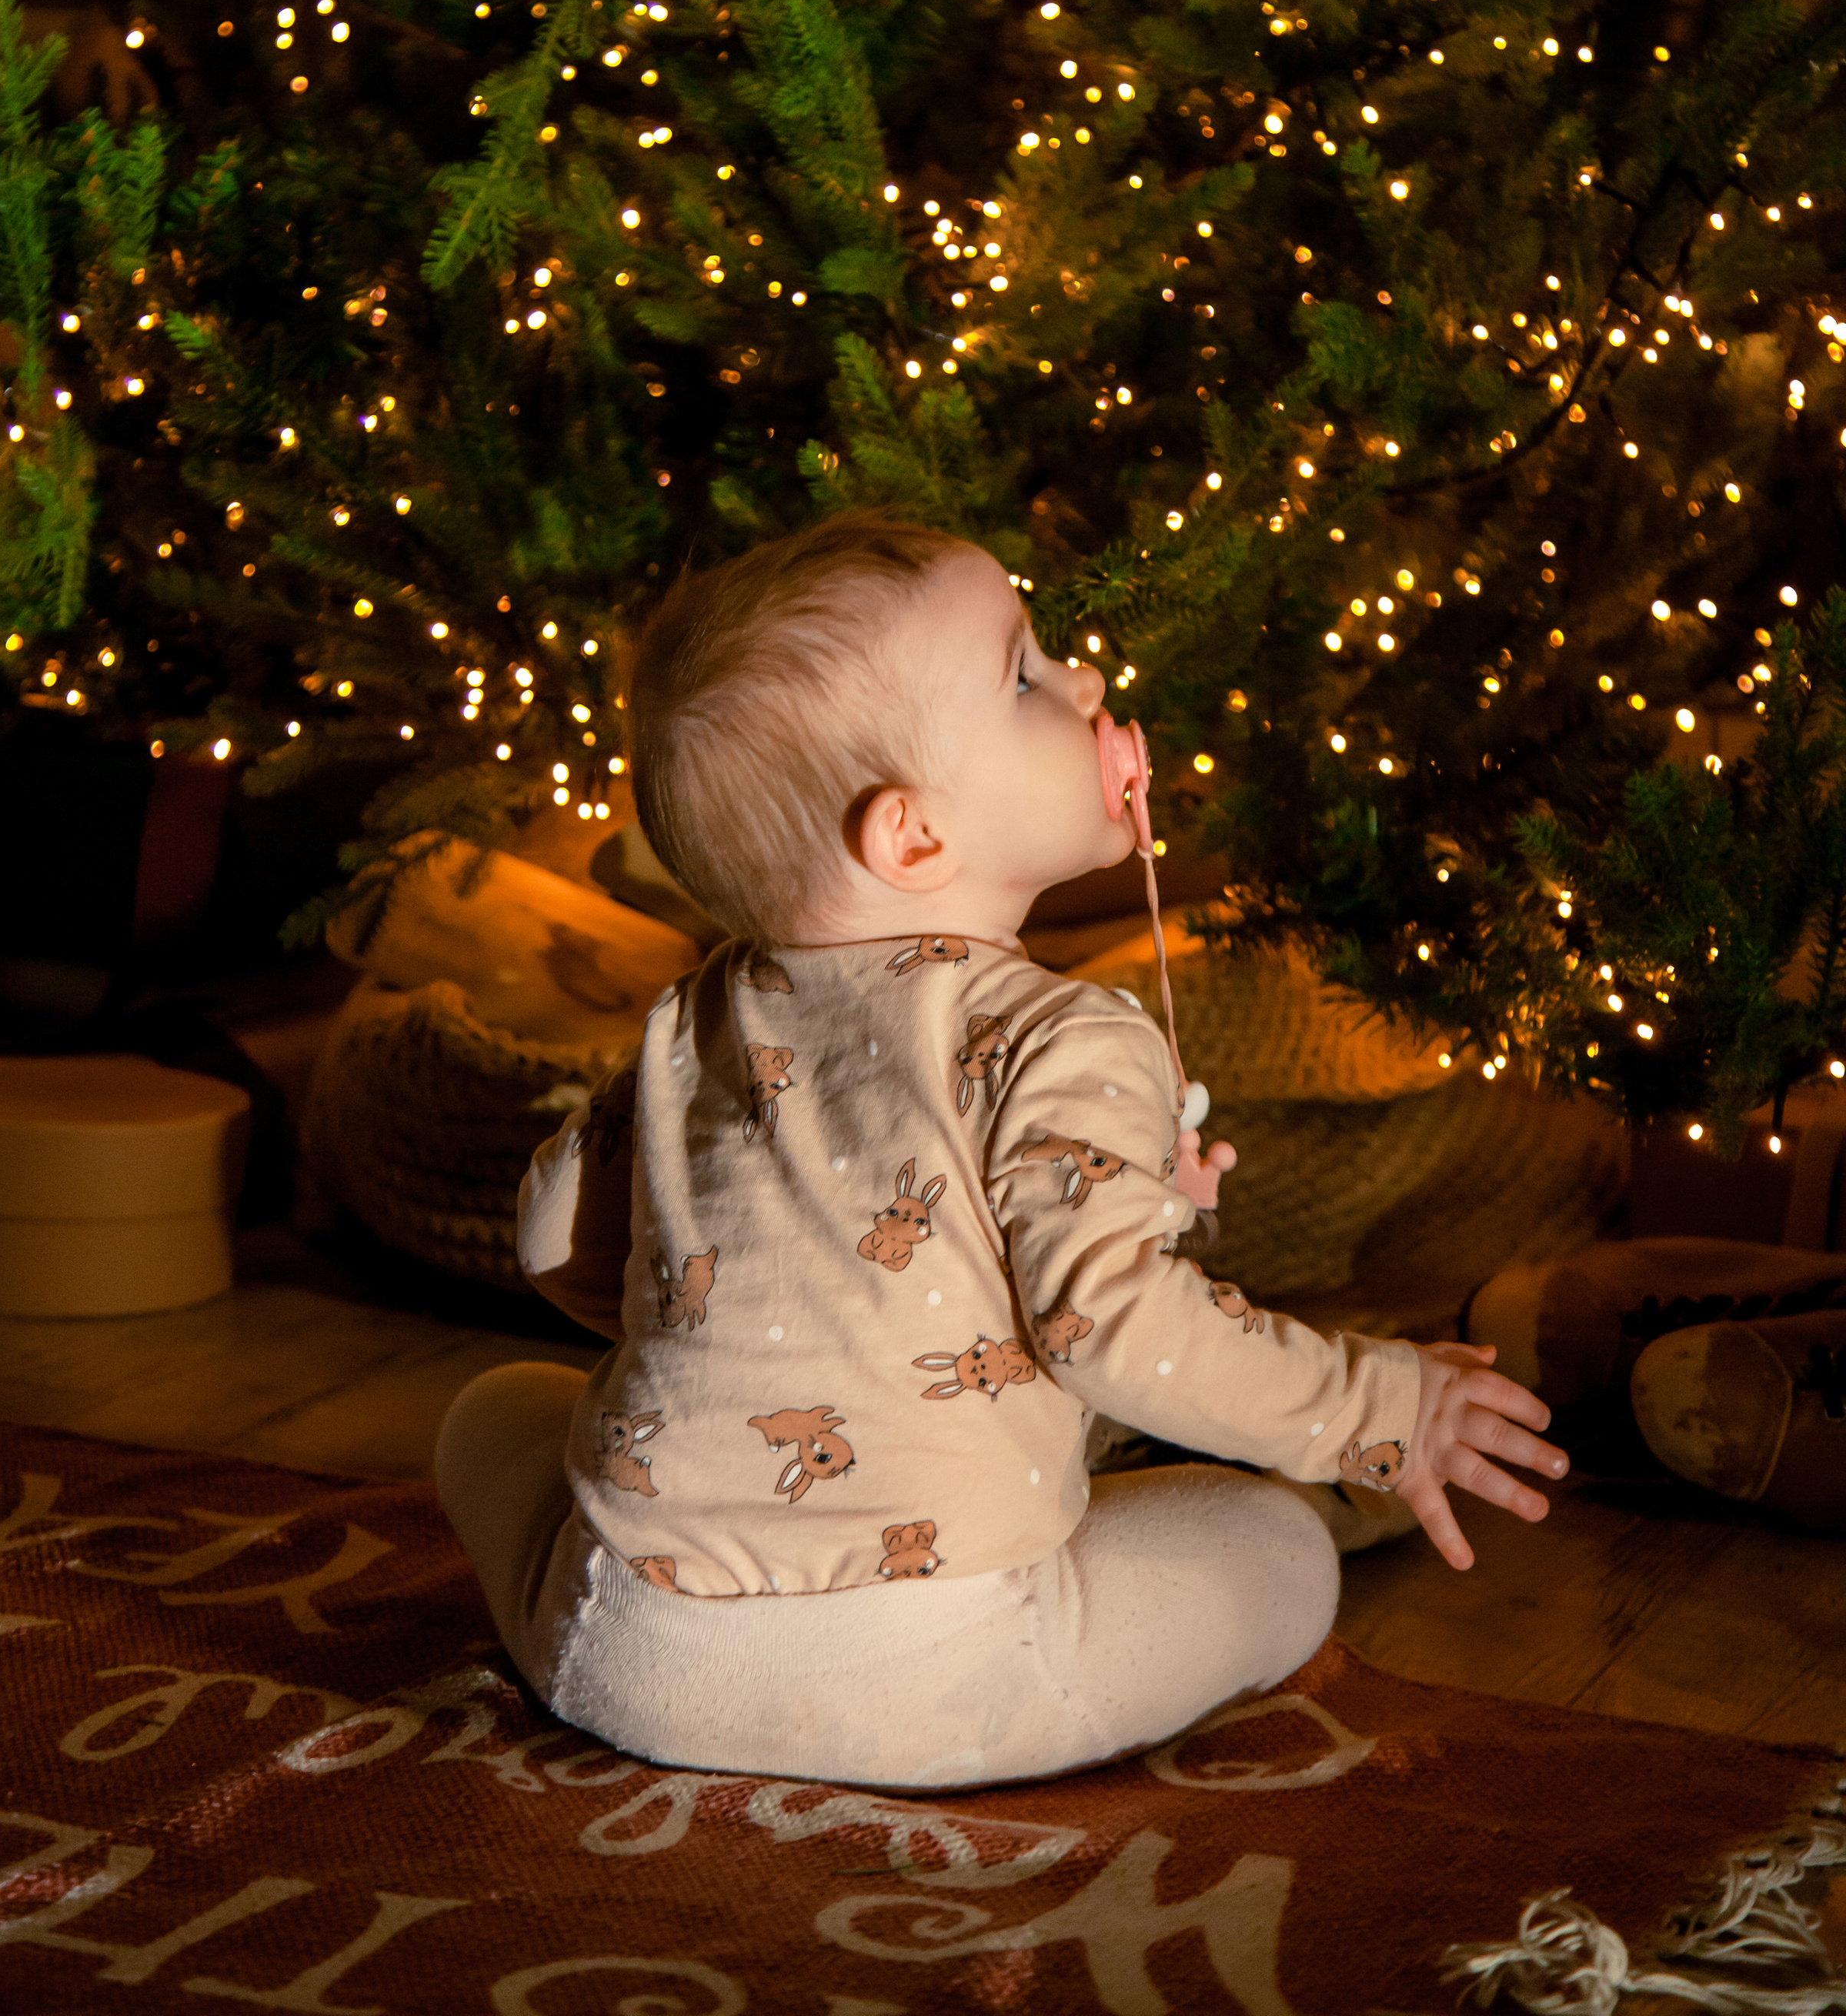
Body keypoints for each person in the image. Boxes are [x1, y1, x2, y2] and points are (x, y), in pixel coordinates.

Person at [436, 512, 1564, 1791]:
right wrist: (1381, 1409)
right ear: (913, 836)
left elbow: (551, 1237)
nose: (1084, 682)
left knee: (496, 1408)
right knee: (1283, 1548)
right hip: (935, 1678)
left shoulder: (692, 1016)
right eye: (1025, 673)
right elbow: (1112, 1331)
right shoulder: (1070, 1037)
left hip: (623, 1648)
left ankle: (643, 1643)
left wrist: (738, 1322)